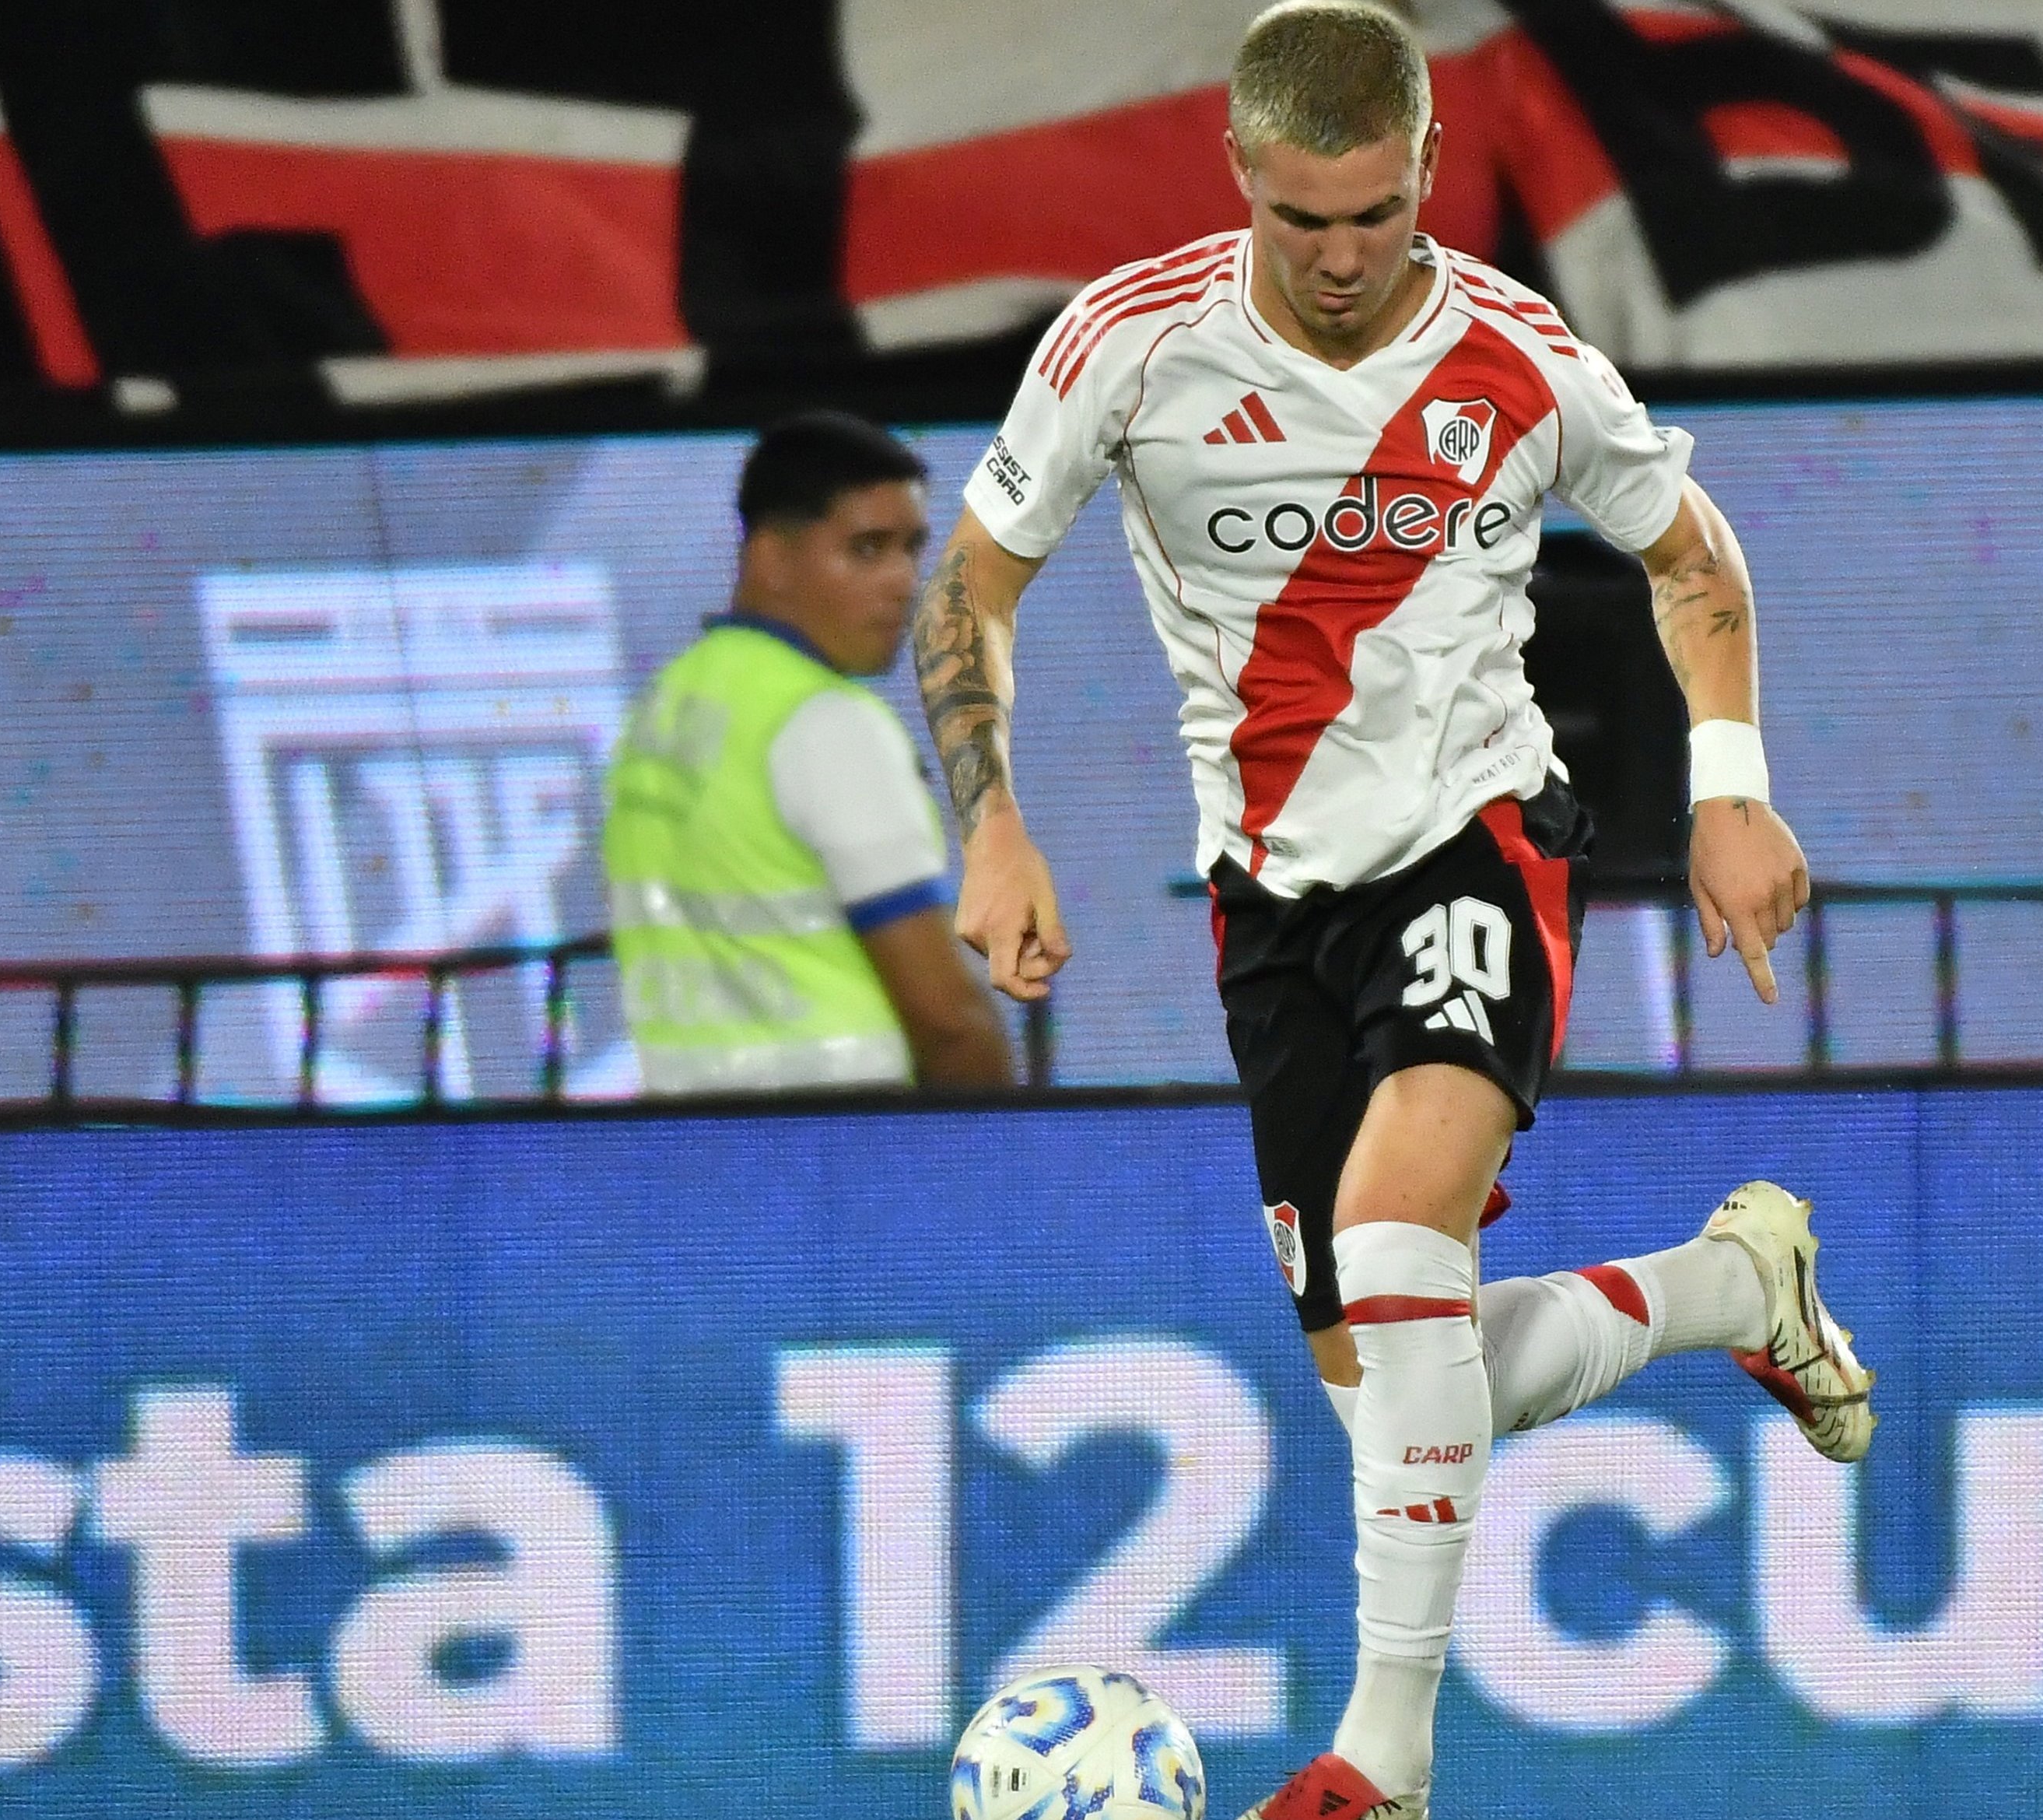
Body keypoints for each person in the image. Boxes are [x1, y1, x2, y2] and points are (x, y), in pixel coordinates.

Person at [916, 5, 1873, 1815]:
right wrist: (993, 821)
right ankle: (1730, 1282)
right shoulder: (1128, 344)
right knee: (1397, 1405)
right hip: (1270, 905)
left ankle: (1388, 1763)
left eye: (1377, 214)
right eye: (1305, 223)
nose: (1347, 260)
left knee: (1389, 1234)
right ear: (1241, 182)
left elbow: (1692, 555)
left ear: (1429, 164)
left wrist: (1732, 784)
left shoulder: (1517, 355)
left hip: (1479, 840)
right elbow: (971, 587)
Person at [602, 411, 1016, 1092]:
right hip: (841, 1153)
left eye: (912, 549)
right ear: (770, 559)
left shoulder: (657, 712)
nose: (901, 581)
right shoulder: (829, 724)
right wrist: (1008, 1169)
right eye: (866, 548)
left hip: (685, 1150)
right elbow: (947, 1023)